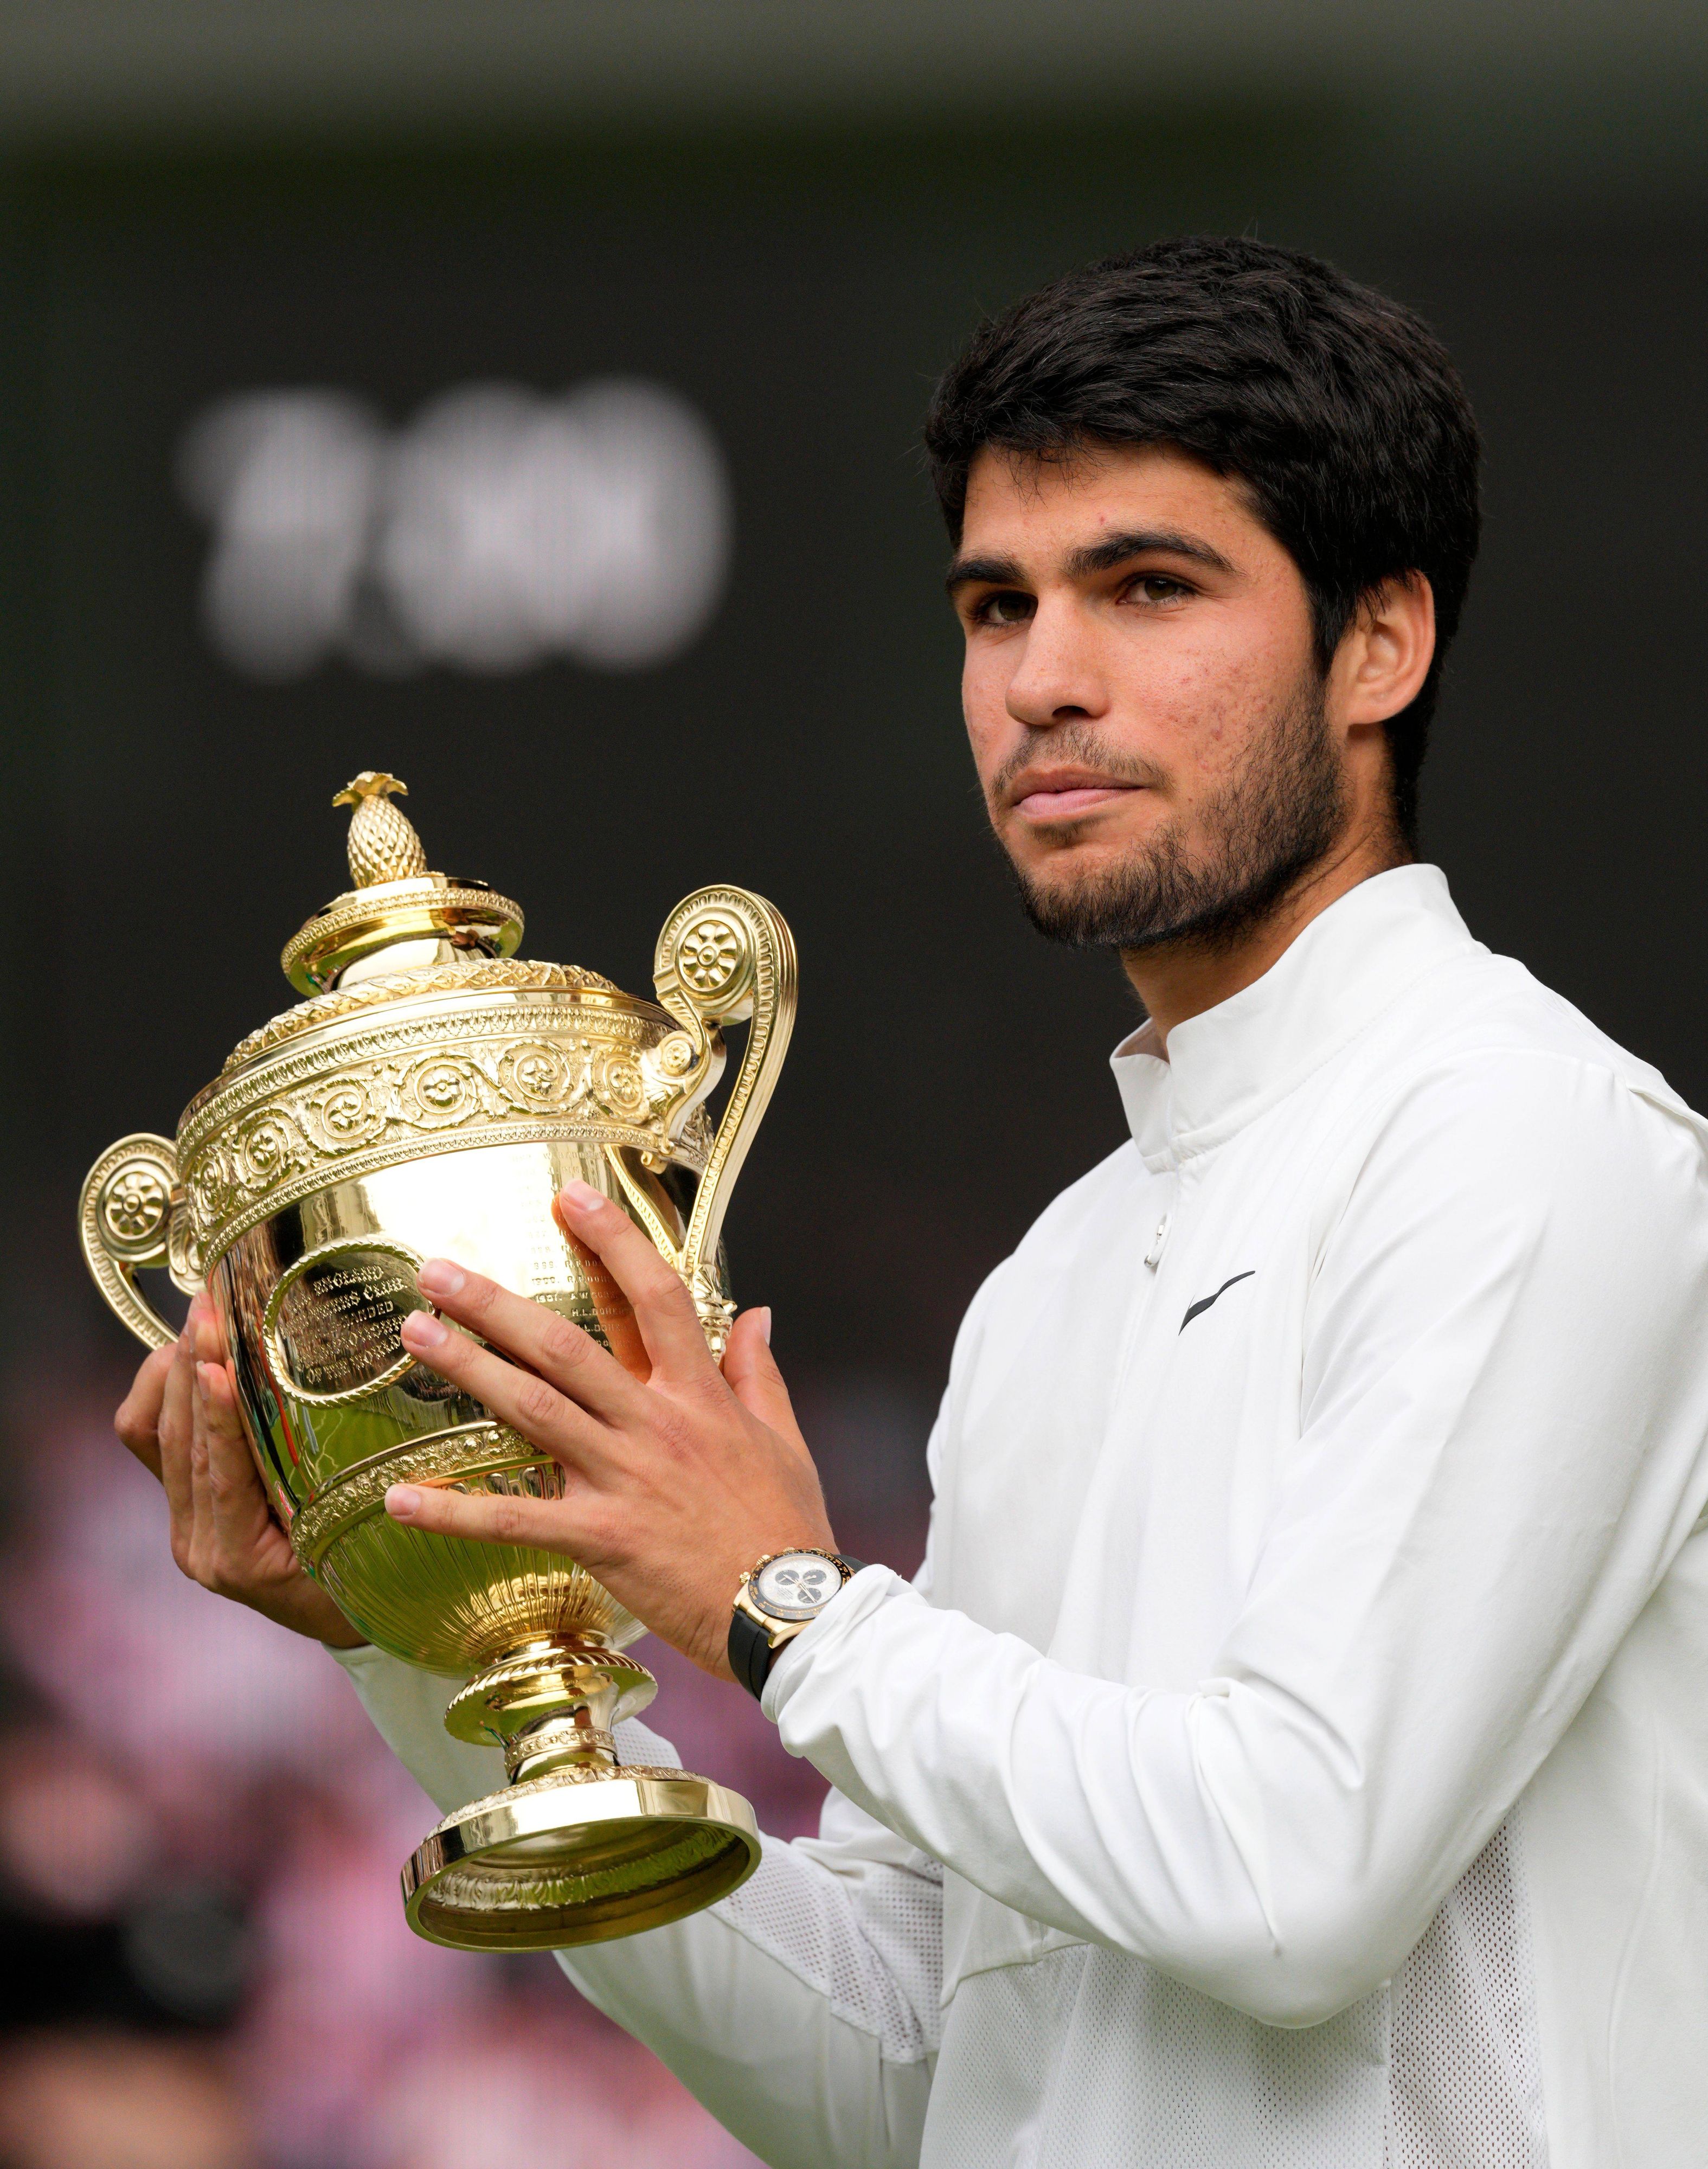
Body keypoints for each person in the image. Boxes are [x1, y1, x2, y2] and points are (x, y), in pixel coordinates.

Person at [115, 237, 1708, 2169]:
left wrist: (789, 1611)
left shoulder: (1526, 1138)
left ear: (1381, 642)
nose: (1044, 680)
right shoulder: (1048, 1288)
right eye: (997, 604)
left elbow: (1300, 1878)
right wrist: (422, 1639)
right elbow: (889, 2080)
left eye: (1148, 587)